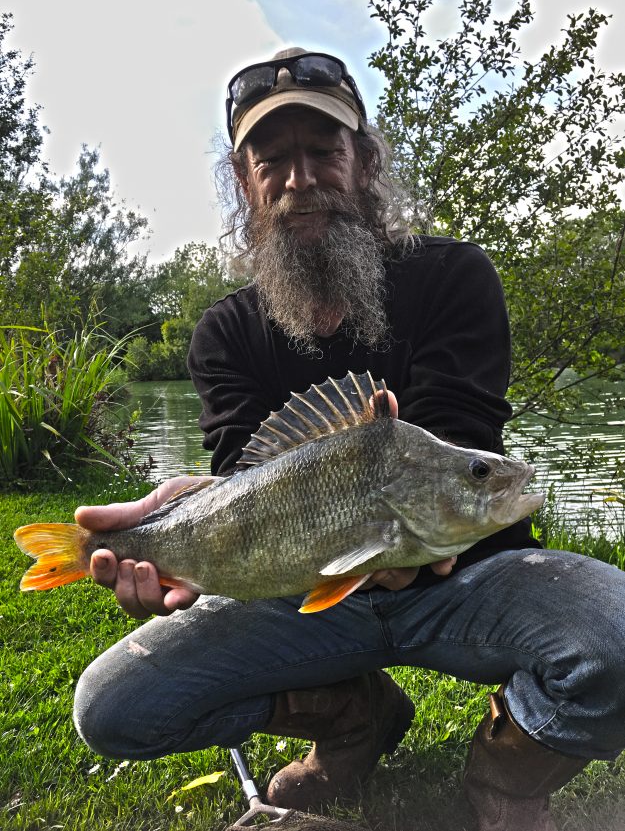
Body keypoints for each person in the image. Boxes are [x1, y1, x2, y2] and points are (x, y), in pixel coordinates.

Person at [73, 48, 625, 831]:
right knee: (113, 707)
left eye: (322, 150)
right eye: (272, 159)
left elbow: (459, 446)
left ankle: (508, 771)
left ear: (363, 162)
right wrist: (174, 536)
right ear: (244, 182)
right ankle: (349, 714)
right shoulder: (223, 331)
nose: (299, 179)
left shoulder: (454, 275)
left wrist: (404, 534)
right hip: (307, 595)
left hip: (462, 579)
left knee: (616, 636)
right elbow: (242, 482)